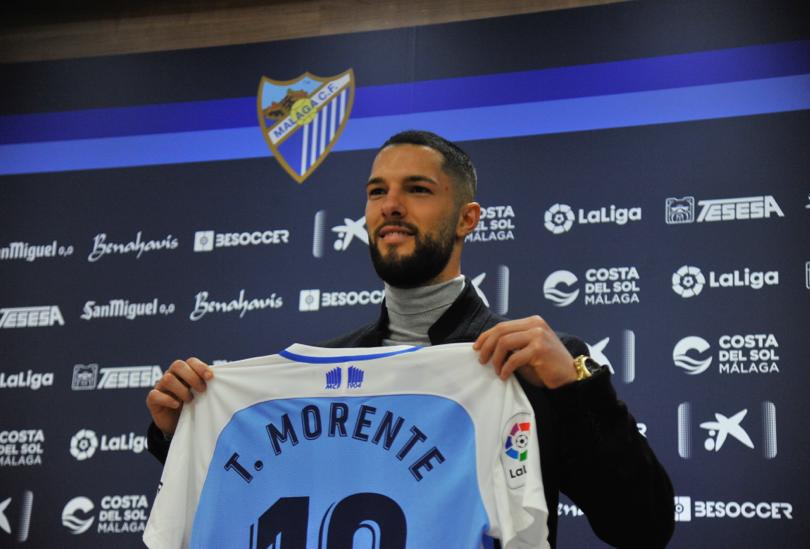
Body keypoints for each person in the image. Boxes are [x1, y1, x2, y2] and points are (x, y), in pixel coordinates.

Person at [146, 130, 675, 548]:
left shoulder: (534, 362)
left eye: (417, 190)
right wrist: (182, 430)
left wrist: (575, 388)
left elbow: (643, 527)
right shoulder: (322, 370)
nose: (390, 205)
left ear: (468, 218)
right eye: (378, 192)